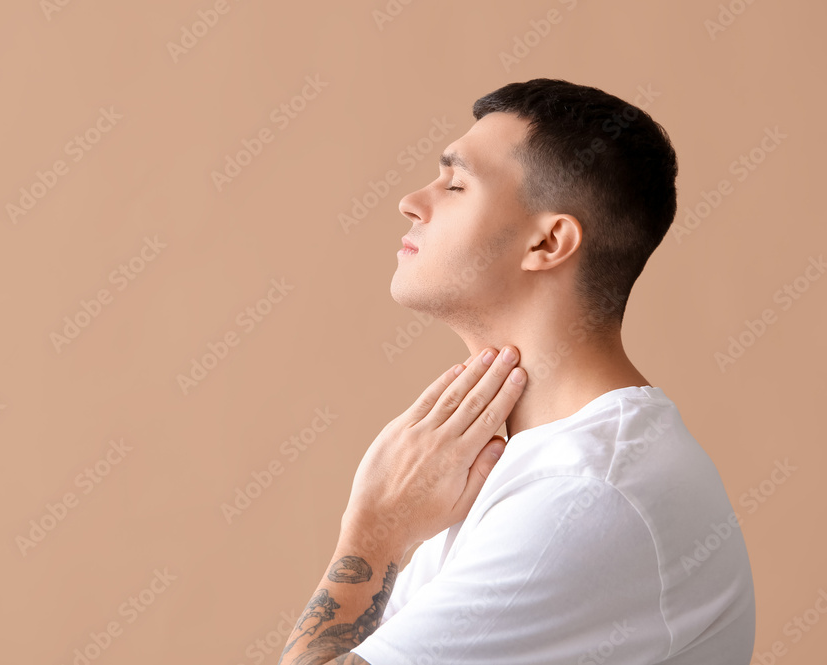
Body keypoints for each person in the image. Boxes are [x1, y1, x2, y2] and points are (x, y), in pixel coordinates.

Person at [277, 78, 755, 665]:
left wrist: (373, 531)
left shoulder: (586, 491)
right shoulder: (521, 464)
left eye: (455, 184)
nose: (411, 201)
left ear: (548, 242)